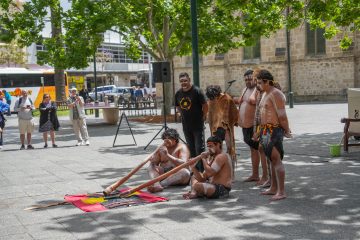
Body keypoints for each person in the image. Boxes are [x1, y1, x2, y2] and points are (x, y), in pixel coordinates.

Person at [256, 69, 292, 201]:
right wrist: (258, 131)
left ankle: (281, 191)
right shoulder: (265, 93)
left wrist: (287, 130)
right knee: (271, 160)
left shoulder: (276, 94)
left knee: (276, 160)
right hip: (265, 131)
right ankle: (273, 188)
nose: (258, 85)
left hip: (274, 131)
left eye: (260, 83)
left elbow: (282, 116)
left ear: (267, 82)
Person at [237, 70, 268, 185]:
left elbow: (257, 102)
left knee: (261, 150)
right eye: (246, 79)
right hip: (245, 126)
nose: (248, 81)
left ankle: (265, 176)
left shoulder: (259, 89)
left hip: (255, 126)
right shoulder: (244, 89)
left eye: (250, 79)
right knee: (253, 150)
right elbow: (240, 101)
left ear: (255, 79)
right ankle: (255, 174)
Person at [175, 72, 208, 172]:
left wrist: (204, 116)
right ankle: (195, 171)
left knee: (200, 148)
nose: (183, 83)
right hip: (186, 126)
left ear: (189, 80)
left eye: (185, 80)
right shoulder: (178, 93)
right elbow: (177, 106)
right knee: (191, 149)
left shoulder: (197, 91)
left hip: (197, 125)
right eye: (181, 81)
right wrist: (181, 114)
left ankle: (202, 170)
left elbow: (205, 105)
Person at [183, 135, 233, 199]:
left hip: (222, 189)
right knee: (194, 176)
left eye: (211, 146)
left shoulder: (222, 156)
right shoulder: (212, 158)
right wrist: (193, 167)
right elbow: (202, 178)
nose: (209, 149)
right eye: (208, 146)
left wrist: (204, 159)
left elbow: (210, 173)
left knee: (198, 186)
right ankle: (195, 192)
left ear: (218, 145)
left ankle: (196, 192)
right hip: (212, 186)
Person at [205, 85, 239, 175]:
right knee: (215, 150)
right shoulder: (211, 100)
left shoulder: (226, 98)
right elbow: (211, 114)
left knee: (230, 149)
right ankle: (216, 171)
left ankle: (231, 174)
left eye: (214, 96)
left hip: (226, 128)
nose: (214, 98)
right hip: (216, 128)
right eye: (211, 97)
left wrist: (226, 124)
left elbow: (232, 112)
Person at [147, 128, 191, 193]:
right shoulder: (161, 148)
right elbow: (155, 163)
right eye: (165, 138)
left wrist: (168, 155)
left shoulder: (182, 147)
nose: (166, 140)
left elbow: (183, 164)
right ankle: (157, 184)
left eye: (169, 138)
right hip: (164, 174)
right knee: (151, 166)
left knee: (185, 172)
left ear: (175, 139)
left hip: (177, 174)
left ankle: (160, 184)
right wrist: (152, 160)